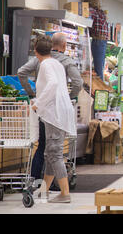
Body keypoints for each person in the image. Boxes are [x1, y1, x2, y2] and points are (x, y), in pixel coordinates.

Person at [18, 32, 83, 187]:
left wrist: (31, 94)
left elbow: (21, 72)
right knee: (55, 151)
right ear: (64, 45)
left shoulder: (39, 60)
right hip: (57, 112)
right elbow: (77, 82)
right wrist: (70, 96)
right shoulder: (66, 61)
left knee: (42, 147)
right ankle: (57, 188)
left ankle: (35, 182)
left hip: (43, 111)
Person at [31, 35, 76, 203]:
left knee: (55, 154)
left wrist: (38, 104)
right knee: (50, 152)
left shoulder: (45, 65)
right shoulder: (56, 63)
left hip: (54, 113)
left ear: (35, 51)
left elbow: (52, 85)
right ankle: (44, 190)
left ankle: (65, 193)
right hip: (60, 112)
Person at [83, 0, 109, 80]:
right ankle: (100, 88)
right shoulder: (92, 11)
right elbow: (87, 21)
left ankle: (99, 85)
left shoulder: (97, 11)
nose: (99, 0)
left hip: (101, 41)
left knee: (99, 66)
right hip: (98, 40)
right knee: (99, 67)